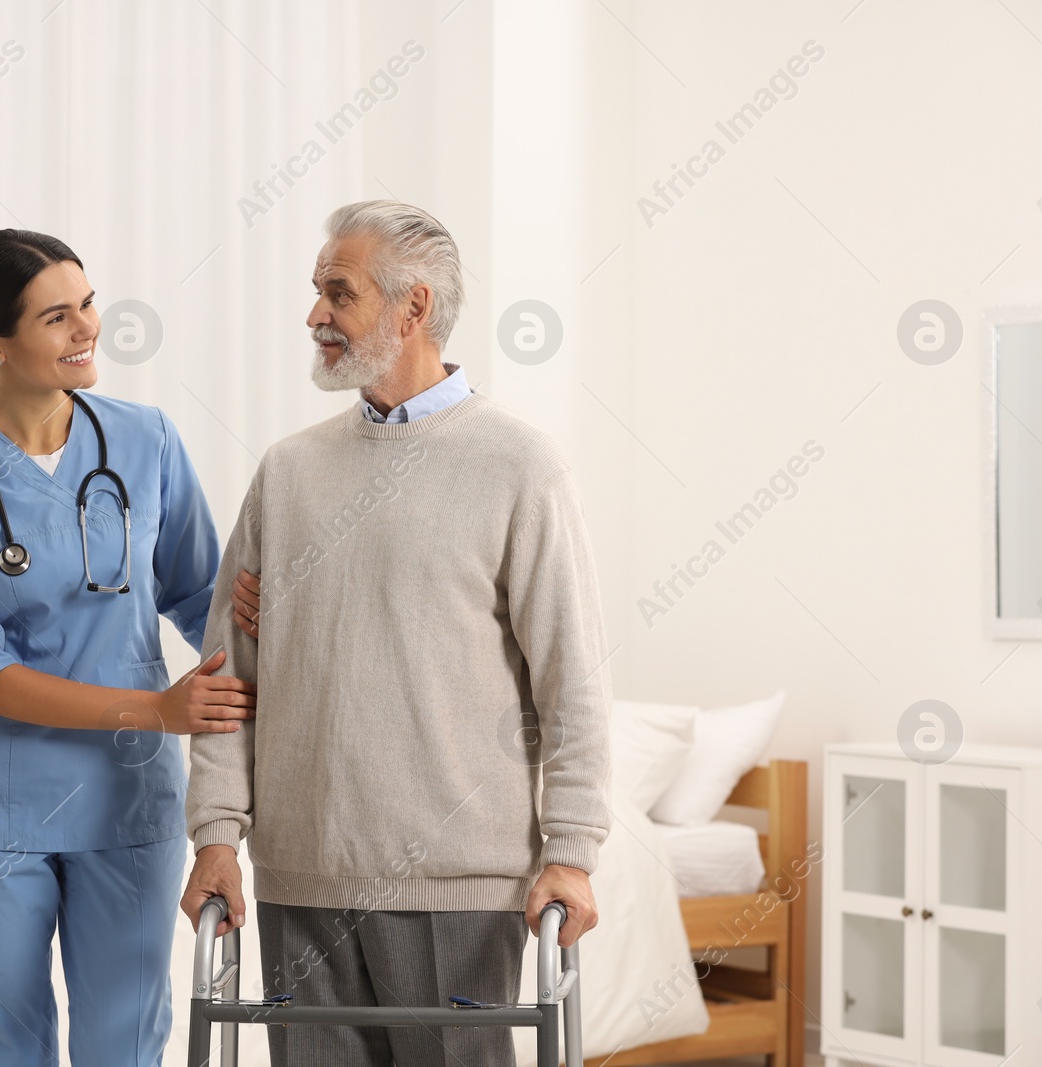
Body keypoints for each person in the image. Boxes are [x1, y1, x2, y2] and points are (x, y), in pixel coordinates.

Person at [182, 201, 612, 1066]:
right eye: (316, 293)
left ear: (412, 307)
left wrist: (572, 848)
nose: (315, 317)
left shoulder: (518, 465)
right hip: (302, 877)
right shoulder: (288, 470)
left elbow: (573, 676)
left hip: (460, 886)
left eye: (337, 294)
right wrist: (217, 834)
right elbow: (231, 672)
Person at [0, 228, 256, 1067]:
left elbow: (205, 599)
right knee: (7, 1045)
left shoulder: (146, 438)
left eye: (88, 303)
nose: (89, 327)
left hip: (126, 801)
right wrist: (157, 709)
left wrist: (285, 620)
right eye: (58, 317)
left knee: (124, 1046)